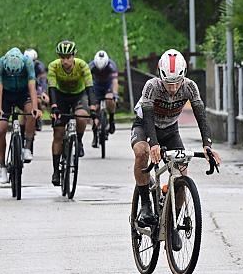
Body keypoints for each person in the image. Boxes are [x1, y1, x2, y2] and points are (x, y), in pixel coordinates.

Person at [131, 49, 221, 225]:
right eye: (168, 83)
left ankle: (172, 223)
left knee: (181, 175)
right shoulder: (152, 86)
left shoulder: (190, 86)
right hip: (145, 127)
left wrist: (207, 144)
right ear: (160, 77)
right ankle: (146, 205)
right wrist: (153, 143)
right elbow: (148, 117)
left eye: (176, 83)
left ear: (184, 76)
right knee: (142, 153)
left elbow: (201, 116)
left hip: (171, 130)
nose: (172, 88)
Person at [47, 40, 96, 186]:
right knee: (58, 133)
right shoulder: (53, 66)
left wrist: (92, 107)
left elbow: (90, 88)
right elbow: (52, 89)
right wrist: (54, 106)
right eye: (62, 57)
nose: (65, 60)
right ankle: (56, 171)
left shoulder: (82, 66)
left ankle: (79, 141)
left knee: (81, 117)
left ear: (74, 55)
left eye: (68, 57)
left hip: (78, 96)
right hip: (60, 97)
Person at [0, 48, 41, 184]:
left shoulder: (28, 63)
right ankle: (2, 166)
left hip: (23, 92)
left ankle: (27, 145)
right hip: (6, 95)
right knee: (1, 129)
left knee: (30, 112)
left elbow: (32, 86)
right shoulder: (0, 64)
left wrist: (36, 108)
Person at [89, 50, 119, 148]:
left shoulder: (111, 65)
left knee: (110, 99)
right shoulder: (91, 66)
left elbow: (115, 81)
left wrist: (114, 94)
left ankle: (111, 119)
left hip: (108, 85)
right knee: (94, 108)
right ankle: (95, 135)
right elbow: (86, 82)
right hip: (96, 86)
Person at [24, 48, 49, 131]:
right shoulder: (21, 65)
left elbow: (43, 81)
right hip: (25, 87)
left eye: (33, 61)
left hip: (36, 87)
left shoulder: (39, 66)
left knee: (37, 101)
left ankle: (38, 119)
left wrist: (42, 92)